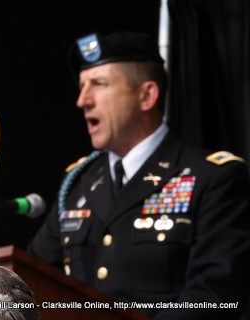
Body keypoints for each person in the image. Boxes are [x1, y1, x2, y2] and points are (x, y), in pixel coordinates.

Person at [27, 31, 250, 319]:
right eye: (82, 87)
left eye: (98, 85)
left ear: (147, 95)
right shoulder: (79, 183)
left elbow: (213, 299)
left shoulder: (214, 177)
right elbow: (30, 277)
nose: (82, 100)